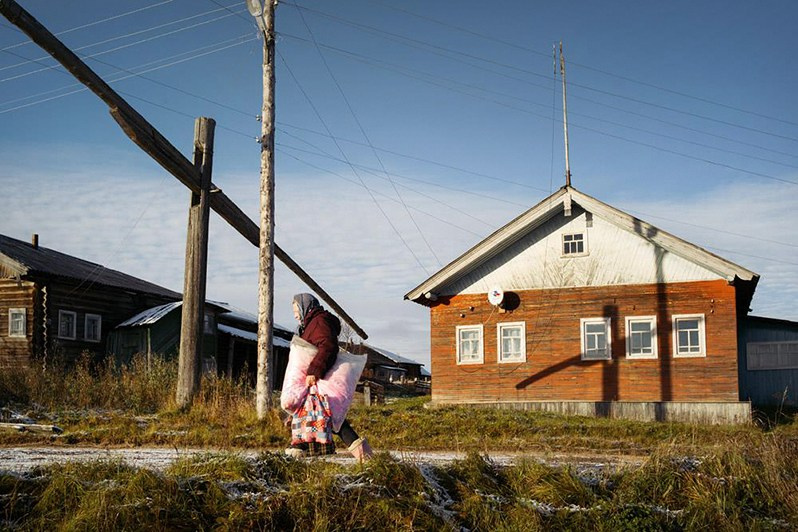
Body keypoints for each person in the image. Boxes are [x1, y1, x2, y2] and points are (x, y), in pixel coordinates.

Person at [285, 293, 373, 461]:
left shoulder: (319, 322)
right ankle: (365, 456)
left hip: (320, 378)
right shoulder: (311, 324)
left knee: (324, 415)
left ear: (305, 307)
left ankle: (298, 447)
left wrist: (314, 371)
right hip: (316, 379)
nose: (295, 314)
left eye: (296, 309)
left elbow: (328, 346)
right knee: (327, 416)